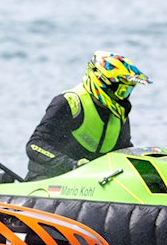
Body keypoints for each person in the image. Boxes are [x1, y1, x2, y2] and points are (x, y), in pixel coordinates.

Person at [25, 51, 151, 180]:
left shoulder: (119, 115)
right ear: (102, 82)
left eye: (127, 91)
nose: (123, 97)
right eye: (121, 91)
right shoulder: (69, 103)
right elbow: (35, 145)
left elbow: (123, 152)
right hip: (47, 181)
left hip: (91, 187)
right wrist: (71, 165)